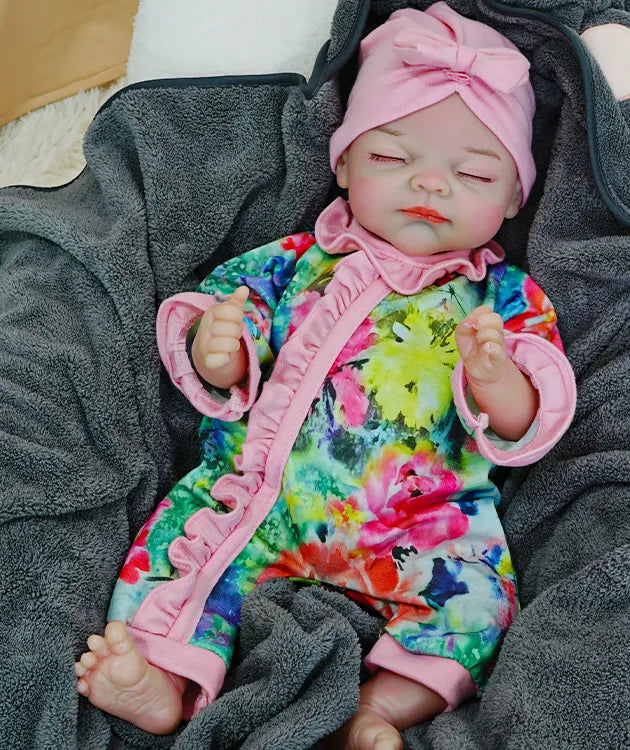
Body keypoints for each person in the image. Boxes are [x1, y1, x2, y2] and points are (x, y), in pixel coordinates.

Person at [74, 3, 576, 748]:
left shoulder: (501, 300)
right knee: (179, 555)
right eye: (390, 158)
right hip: (262, 498)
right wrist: (222, 347)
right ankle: (159, 679)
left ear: (511, 199)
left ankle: (382, 708)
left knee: (478, 601)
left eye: (470, 172)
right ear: (341, 164)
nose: (429, 185)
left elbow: (528, 419)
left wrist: (495, 374)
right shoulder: (298, 260)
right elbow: (228, 317)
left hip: (420, 524)